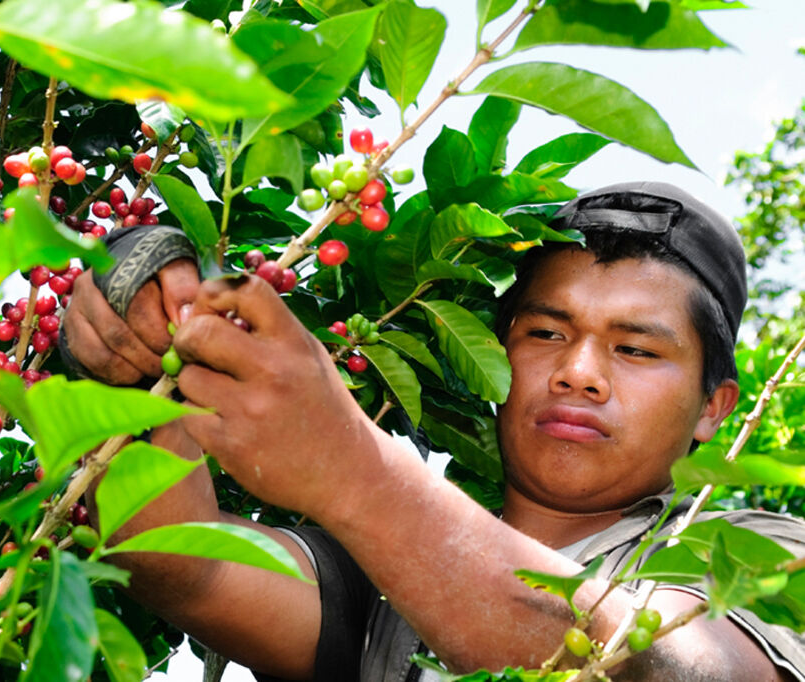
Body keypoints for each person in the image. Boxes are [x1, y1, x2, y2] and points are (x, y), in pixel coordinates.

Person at [61, 181, 805, 681]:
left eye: (636, 349)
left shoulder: (759, 554)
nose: (581, 373)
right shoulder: (380, 578)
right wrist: (136, 345)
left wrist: (352, 469)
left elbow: (683, 665)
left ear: (714, 406)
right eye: (545, 333)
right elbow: (180, 560)